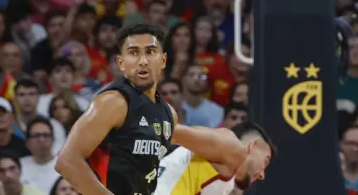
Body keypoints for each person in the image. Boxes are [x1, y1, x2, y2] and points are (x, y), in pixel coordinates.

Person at [54, 23, 271, 195]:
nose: (143, 61)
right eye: (133, 53)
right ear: (121, 62)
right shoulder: (114, 101)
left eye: (150, 52)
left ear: (163, 60)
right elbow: (67, 161)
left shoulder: (167, 113)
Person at [153, 120, 275, 195]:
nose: (262, 175)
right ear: (253, 146)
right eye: (265, 161)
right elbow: (171, 131)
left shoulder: (226, 177)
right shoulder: (232, 147)